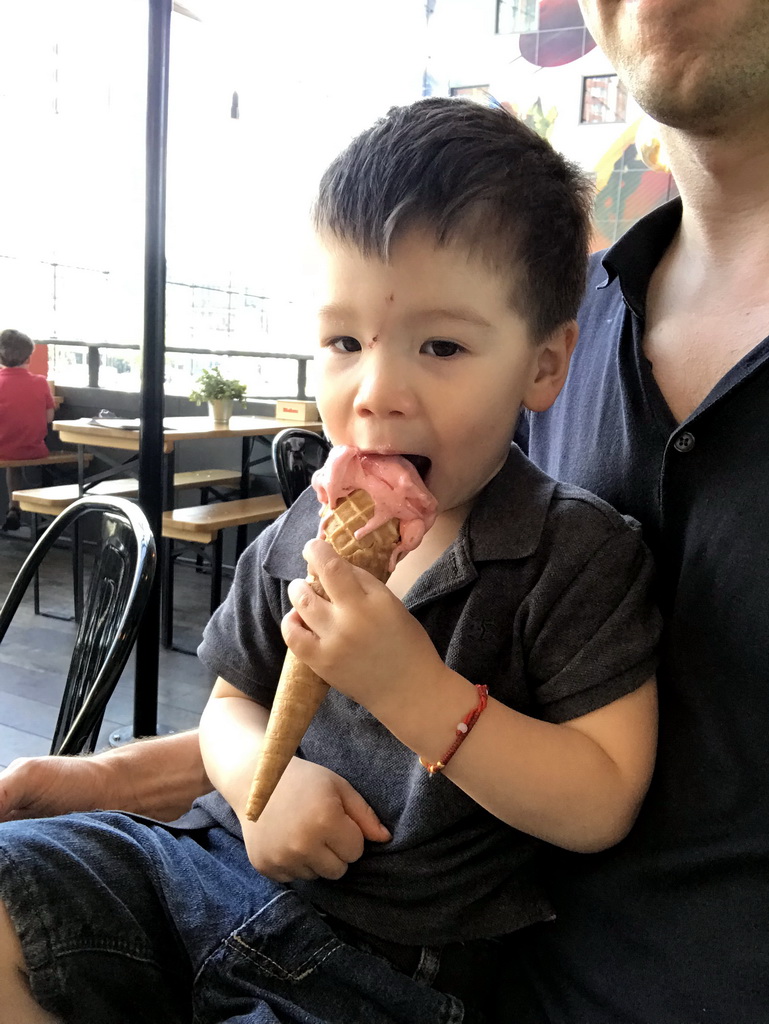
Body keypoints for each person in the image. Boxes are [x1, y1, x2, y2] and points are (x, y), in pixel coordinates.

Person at [0, 98, 661, 1024]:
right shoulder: (299, 530)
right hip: (204, 864)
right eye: (344, 342)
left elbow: (602, 798)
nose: (378, 391)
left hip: (385, 968)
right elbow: (233, 705)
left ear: (543, 368)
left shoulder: (572, 553)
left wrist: (417, 695)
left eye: (441, 345)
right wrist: (257, 790)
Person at [0, 328, 55, 531]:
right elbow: (49, 417)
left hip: (3, 448)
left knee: (9, 457)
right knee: (14, 458)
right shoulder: (40, 382)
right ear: (29, 356)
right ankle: (15, 508)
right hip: (34, 449)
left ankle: (13, 508)